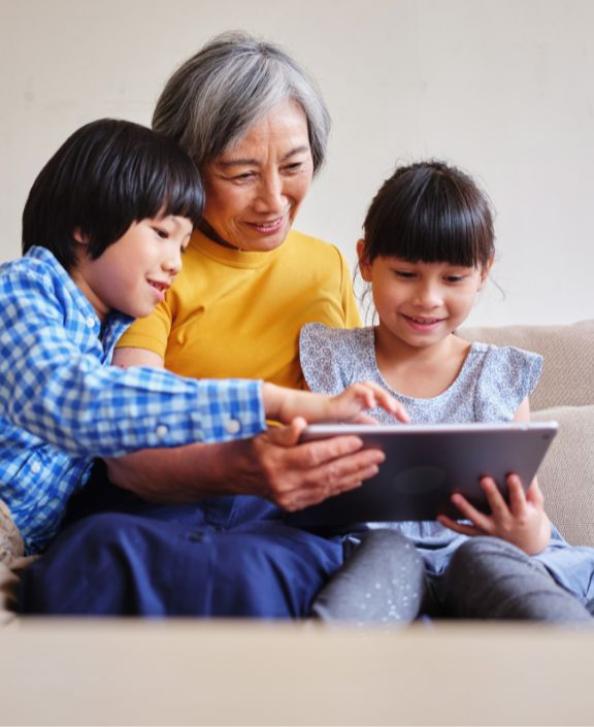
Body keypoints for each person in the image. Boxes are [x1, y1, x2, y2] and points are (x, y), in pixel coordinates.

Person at [18, 34, 404, 617]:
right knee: (119, 557)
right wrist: (245, 462)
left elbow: (362, 405)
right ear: (188, 169)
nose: (274, 199)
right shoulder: (146, 271)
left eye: (294, 166)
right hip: (161, 506)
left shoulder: (325, 265)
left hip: (286, 518)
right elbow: (125, 439)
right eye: (241, 173)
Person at [300, 160, 594, 622]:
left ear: (483, 272)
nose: (428, 298)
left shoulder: (498, 374)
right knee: (384, 559)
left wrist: (525, 532)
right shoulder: (331, 358)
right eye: (406, 274)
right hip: (374, 550)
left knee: (485, 566)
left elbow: (533, 521)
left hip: (486, 552)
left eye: (453, 279)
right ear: (366, 260)